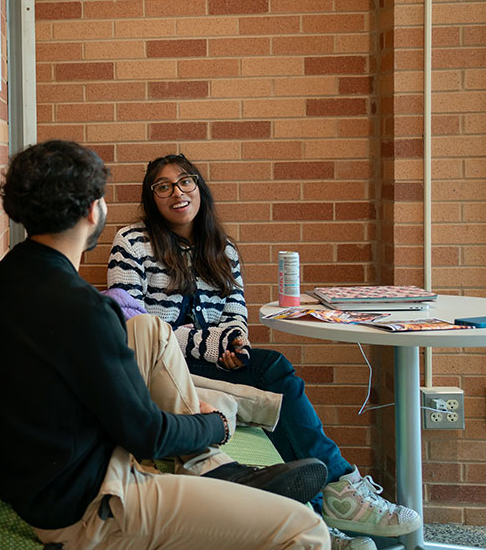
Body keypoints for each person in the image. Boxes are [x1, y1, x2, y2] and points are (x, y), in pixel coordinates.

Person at [0, 140, 331, 550]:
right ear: (94, 210)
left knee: (148, 328)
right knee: (304, 528)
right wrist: (215, 425)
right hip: (92, 504)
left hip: (56, 474)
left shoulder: (6, 277)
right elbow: (147, 434)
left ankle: (214, 470)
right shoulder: (82, 309)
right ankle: (219, 453)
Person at [108, 153, 423, 550]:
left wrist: (236, 345)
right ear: (151, 197)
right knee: (275, 370)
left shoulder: (222, 248)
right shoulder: (132, 242)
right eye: (163, 186)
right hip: (162, 368)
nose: (177, 192)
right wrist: (213, 344)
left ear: (199, 187)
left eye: (186, 181)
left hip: (212, 363)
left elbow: (235, 314)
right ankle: (337, 490)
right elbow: (134, 326)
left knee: (270, 372)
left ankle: (322, 510)